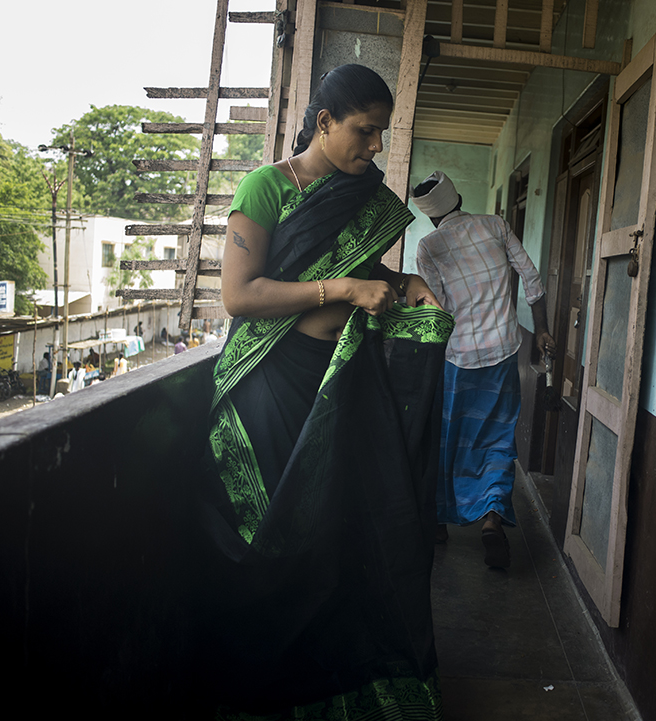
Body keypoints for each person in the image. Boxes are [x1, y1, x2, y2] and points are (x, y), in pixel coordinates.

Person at [200, 64, 451, 719]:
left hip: (340, 385)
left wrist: (402, 285)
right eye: (364, 132)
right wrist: (341, 291)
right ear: (324, 122)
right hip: (270, 387)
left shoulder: (363, 196)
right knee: (281, 546)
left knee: (339, 543)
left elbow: (363, 269)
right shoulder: (266, 188)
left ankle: (335, 697)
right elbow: (240, 295)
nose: (374, 147)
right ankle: (269, 695)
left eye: (380, 135)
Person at [411, 171, 556, 569]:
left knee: (450, 437)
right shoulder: (495, 225)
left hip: (458, 358)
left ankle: (439, 520)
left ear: (429, 214)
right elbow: (531, 277)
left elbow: (437, 305)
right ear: (456, 197)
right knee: (497, 437)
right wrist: (541, 327)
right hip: (504, 353)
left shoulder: (429, 246)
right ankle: (491, 517)